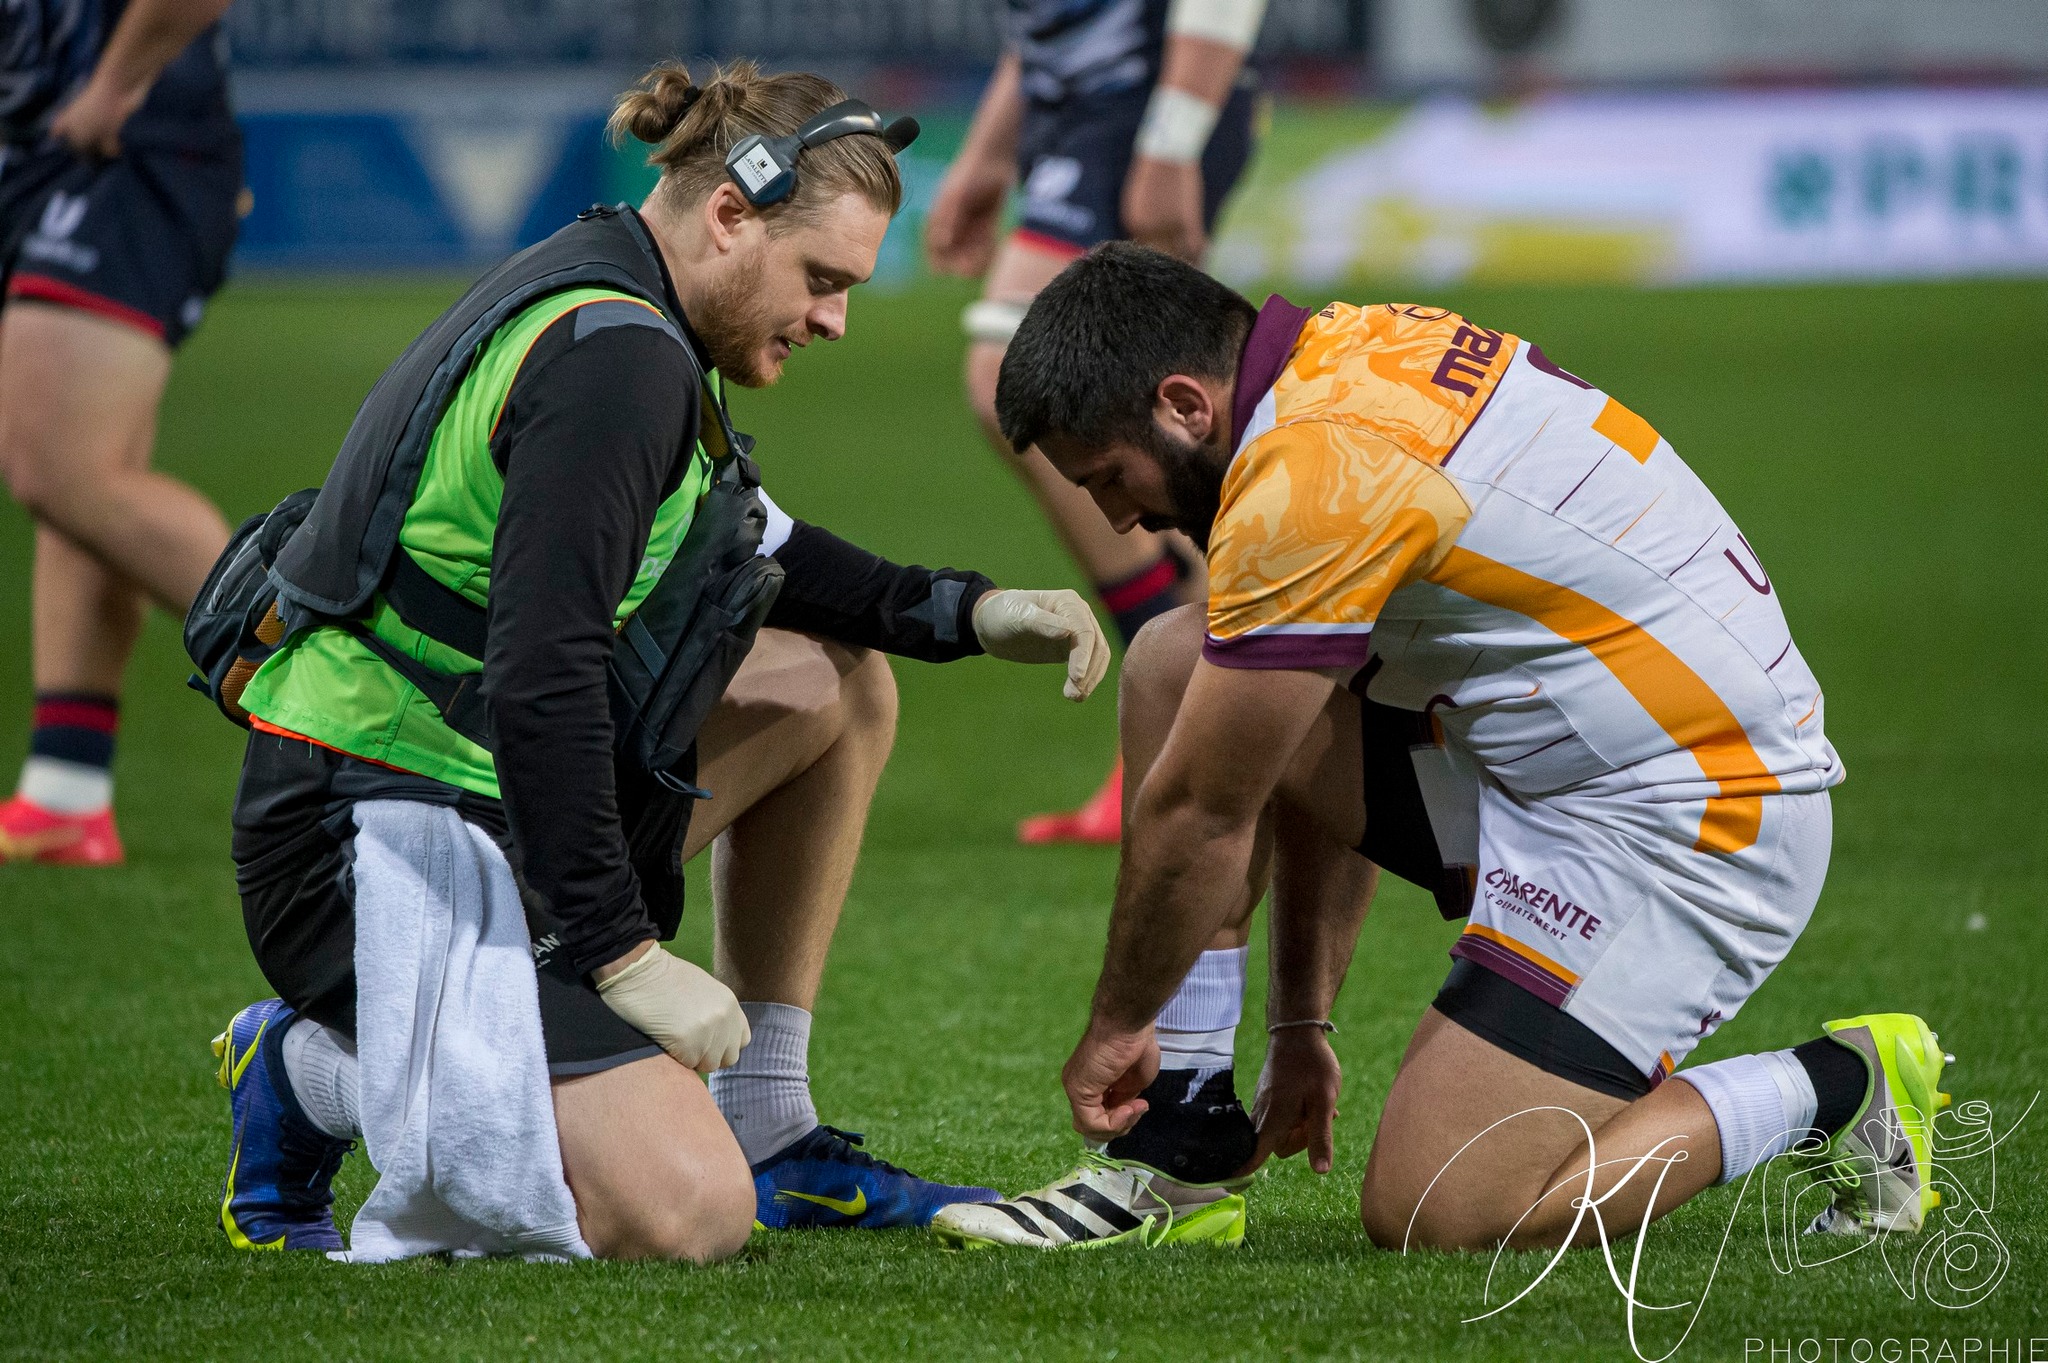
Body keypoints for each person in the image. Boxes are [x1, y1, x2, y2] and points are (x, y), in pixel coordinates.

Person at [209, 60, 1111, 1263]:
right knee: (683, 1211)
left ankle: (770, 1123)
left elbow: (756, 534)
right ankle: (307, 1066)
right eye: (823, 279)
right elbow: (542, 679)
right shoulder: (618, 365)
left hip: (463, 791)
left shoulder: (626, 296)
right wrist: (624, 956)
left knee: (831, 682)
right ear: (731, 216)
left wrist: (968, 610)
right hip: (368, 832)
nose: (836, 317)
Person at [933, 243, 1952, 1251]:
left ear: (1185, 405)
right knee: (1176, 658)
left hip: (1689, 819)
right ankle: (1183, 1151)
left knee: (1440, 1210)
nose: (1117, 518)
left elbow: (1204, 810)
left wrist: (1115, 1025)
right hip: (1551, 763)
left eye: (1109, 477)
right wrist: (1298, 1024)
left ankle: (1838, 1086)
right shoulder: (1338, 363)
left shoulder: (1312, 475)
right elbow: (1295, 715)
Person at [926, 0, 1267, 846]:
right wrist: (987, 154)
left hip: (1150, 99)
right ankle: (1205, 689)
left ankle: (1190, 679)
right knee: (1115, 395)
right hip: (1078, 106)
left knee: (1021, 373)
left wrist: (1172, 140)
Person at [0, 0, 243, 865]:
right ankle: (65, 788)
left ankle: (346, 685)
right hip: (47, 146)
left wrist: (113, 85)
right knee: (77, 478)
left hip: (125, 142)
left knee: (62, 467)